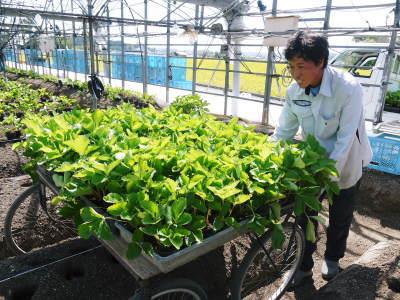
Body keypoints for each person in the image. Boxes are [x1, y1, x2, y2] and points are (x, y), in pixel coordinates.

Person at [270, 30, 373, 286]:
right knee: (305, 215)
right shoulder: (294, 91)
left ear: (321, 63)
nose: (295, 73)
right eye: (292, 66)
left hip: (346, 160)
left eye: (301, 66)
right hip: (313, 162)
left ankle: (333, 259)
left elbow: (346, 138)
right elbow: (283, 131)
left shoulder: (347, 88)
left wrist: (327, 174)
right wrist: (267, 159)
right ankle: (303, 266)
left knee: (340, 214)